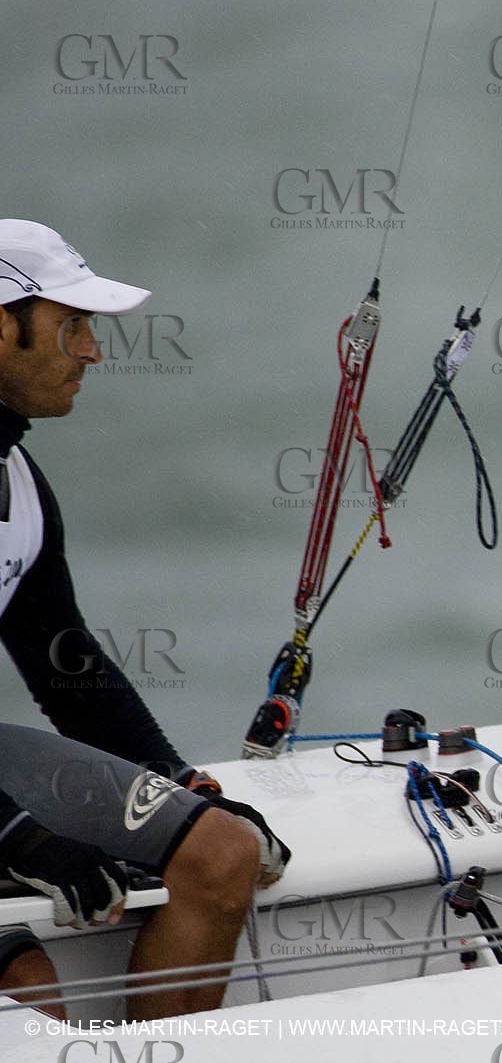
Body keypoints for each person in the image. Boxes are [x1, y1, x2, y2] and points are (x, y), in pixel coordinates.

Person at [0, 219, 291, 1018]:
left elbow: (66, 665)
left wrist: (180, 779)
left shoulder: (18, 479)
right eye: (73, 325)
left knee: (222, 852)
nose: (92, 350)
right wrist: (17, 836)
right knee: (28, 990)